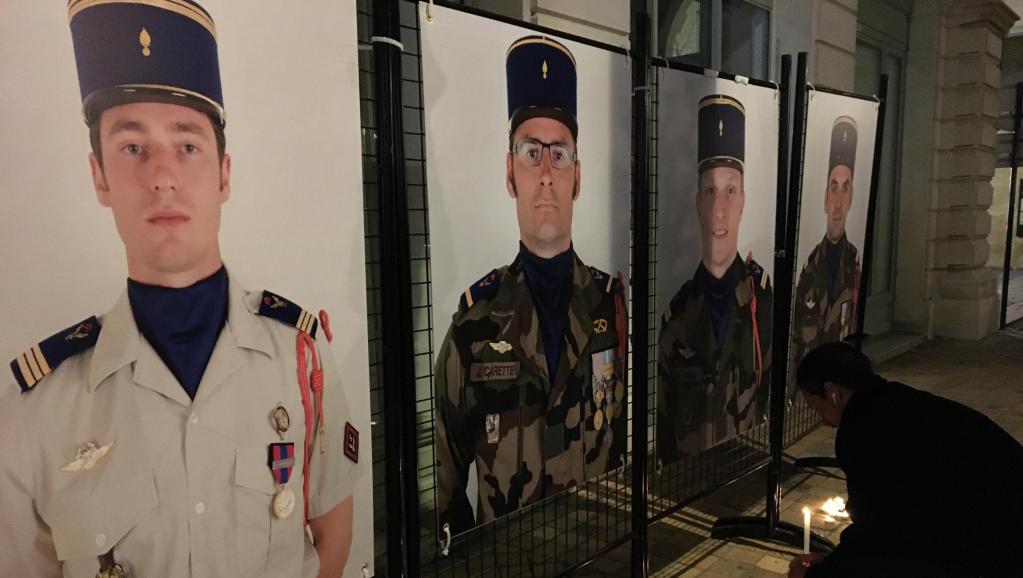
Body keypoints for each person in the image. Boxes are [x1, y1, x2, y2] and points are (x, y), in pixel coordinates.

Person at [0, 2, 361, 576]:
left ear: (223, 173)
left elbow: (333, 538)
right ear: (99, 175)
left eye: (187, 144)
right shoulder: (39, 409)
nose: (162, 176)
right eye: (132, 147)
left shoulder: (300, 358)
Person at [433, 35, 628, 535]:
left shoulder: (614, 313)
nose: (545, 172)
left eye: (559, 154)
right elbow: (446, 494)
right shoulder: (473, 329)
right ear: (509, 172)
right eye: (530, 151)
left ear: (577, 177)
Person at [788, 342, 1023, 578]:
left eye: (819, 410)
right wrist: (838, 562)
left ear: (833, 393)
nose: (825, 422)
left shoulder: (865, 431)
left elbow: (878, 531)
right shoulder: (901, 402)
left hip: (996, 543)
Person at [657, 94, 773, 463]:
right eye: (710, 191)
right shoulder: (676, 317)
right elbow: (664, 426)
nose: (719, 209)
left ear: (743, 202)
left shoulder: (765, 303)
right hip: (688, 491)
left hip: (749, 476)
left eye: (730, 191)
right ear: (697, 203)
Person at [790, 117, 861, 397]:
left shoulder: (854, 264)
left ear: (852, 196)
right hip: (812, 394)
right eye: (834, 187)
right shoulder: (807, 270)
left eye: (846, 187)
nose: (839, 201)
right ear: (824, 197)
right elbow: (796, 345)